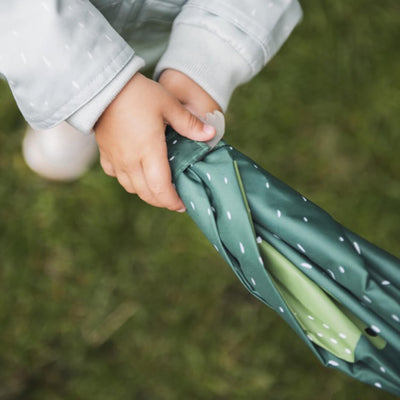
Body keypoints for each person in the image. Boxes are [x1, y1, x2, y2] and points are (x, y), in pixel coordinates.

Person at [0, 0, 303, 212]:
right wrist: (101, 93)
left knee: (139, 55)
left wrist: (201, 60)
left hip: (161, 19)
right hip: (59, 34)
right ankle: (74, 115)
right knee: (70, 87)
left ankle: (106, 104)